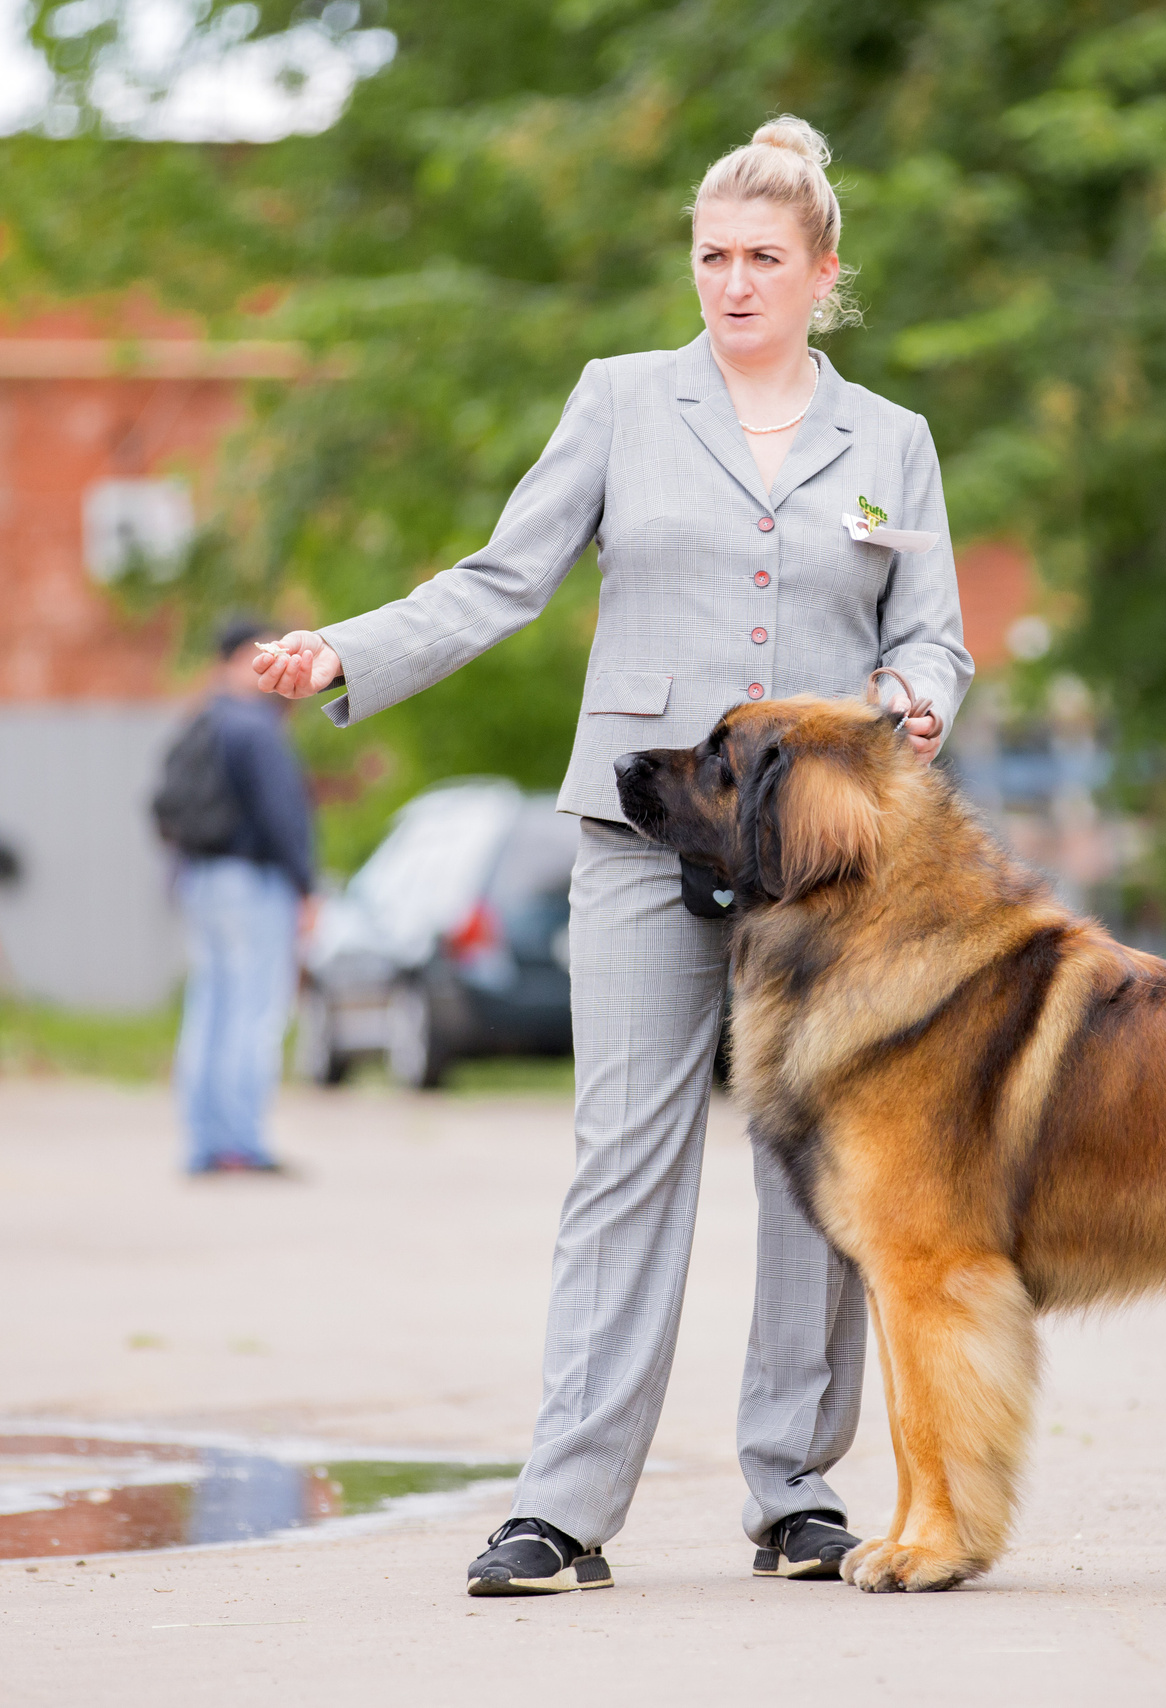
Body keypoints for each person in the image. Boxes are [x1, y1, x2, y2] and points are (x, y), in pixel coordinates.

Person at [251, 116, 973, 1594]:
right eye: (712, 256)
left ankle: (797, 1491)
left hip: (819, 867)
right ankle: (563, 1508)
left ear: (824, 272)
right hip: (640, 828)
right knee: (623, 1165)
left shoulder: (890, 440)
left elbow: (933, 630)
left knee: (814, 1175)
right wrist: (348, 649)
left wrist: (921, 694)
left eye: (764, 258)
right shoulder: (623, 402)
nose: (733, 281)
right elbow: (502, 577)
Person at [172, 617, 321, 1177]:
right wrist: (306, 887)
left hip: (202, 880)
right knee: (255, 1011)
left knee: (209, 1009)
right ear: (239, 659)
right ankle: (243, 1144)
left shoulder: (201, 721)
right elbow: (285, 816)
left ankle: (205, 1142)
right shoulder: (256, 727)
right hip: (253, 882)